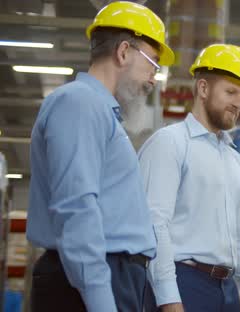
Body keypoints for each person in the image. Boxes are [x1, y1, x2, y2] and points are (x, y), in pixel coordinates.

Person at [26, 2, 174, 311]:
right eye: (152, 63)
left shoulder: (100, 113)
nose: (153, 77)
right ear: (123, 52)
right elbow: (76, 207)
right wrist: (100, 299)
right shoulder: (79, 104)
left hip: (113, 276)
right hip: (92, 282)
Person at [139, 43, 240, 312]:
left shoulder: (234, 159)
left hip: (226, 291)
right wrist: (169, 298)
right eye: (231, 92)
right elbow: (155, 225)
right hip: (184, 285)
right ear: (203, 88)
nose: (238, 103)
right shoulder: (170, 143)